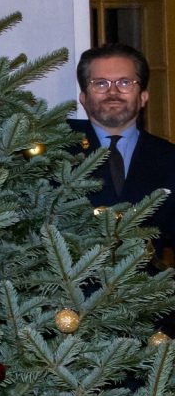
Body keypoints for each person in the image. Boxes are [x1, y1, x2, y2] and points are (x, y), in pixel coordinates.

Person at [69, 42, 175, 266]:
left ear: (144, 96)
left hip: (147, 295)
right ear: (84, 98)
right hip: (70, 296)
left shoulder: (168, 158)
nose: (113, 92)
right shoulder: (57, 149)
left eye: (125, 82)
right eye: (100, 83)